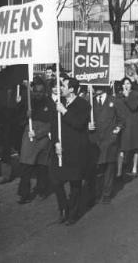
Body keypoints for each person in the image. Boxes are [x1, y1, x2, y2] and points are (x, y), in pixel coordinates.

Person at [51, 77, 91, 225]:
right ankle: (63, 209)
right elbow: (54, 125)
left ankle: (73, 214)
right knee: (56, 180)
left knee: (75, 183)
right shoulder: (58, 103)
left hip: (75, 150)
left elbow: (79, 124)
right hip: (60, 150)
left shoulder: (83, 104)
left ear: (72, 89)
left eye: (64, 85)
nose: (61, 88)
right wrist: (55, 142)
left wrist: (64, 111)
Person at [17, 78, 56, 204]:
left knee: (42, 167)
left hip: (43, 139)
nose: (38, 94)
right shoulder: (28, 102)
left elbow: (52, 123)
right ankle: (24, 194)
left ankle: (42, 190)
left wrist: (39, 133)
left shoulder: (49, 103)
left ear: (44, 91)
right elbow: (18, 120)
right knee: (26, 166)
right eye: (35, 91)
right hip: (29, 137)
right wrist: (26, 115)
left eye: (40, 91)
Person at [86, 85, 123, 205]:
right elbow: (83, 118)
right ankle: (95, 193)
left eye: (100, 85)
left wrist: (116, 131)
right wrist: (88, 125)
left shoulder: (114, 100)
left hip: (110, 139)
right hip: (95, 140)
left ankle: (106, 193)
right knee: (96, 168)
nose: (97, 88)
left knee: (109, 167)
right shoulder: (89, 101)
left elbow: (122, 119)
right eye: (95, 85)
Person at [116, 77, 138, 177]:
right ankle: (119, 171)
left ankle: (134, 167)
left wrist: (127, 97)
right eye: (124, 84)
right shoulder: (119, 95)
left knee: (135, 146)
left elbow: (133, 107)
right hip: (123, 123)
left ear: (131, 85)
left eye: (128, 83)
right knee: (121, 147)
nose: (126, 85)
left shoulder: (136, 94)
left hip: (134, 123)